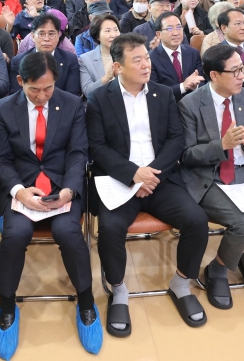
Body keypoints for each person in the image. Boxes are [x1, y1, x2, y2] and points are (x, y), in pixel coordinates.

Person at [86, 33, 210, 336]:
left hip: (159, 178)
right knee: (111, 229)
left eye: (146, 58)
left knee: (197, 220)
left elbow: (175, 139)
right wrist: (132, 174)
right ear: (118, 67)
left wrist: (150, 173)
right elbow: (97, 147)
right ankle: (119, 290)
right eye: (137, 60)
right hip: (118, 181)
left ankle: (181, 283)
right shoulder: (100, 98)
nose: (146, 65)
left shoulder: (162, 94)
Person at [0, 52, 102, 358]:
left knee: (69, 233)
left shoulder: (72, 104)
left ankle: (86, 300)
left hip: (60, 187)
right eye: (33, 90)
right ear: (19, 82)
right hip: (22, 189)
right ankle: (8, 304)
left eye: (48, 89)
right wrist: (17, 191)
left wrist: (69, 189)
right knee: (14, 235)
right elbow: (2, 159)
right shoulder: (3, 109)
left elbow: (78, 152)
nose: (41, 97)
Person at [178, 43, 244, 308]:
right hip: (210, 176)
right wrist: (221, 146)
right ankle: (217, 269)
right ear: (214, 75)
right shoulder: (190, 104)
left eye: (242, 69)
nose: (241, 75)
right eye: (235, 71)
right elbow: (186, 156)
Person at [10, 13, 80, 96]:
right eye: (41, 34)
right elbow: (16, 94)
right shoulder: (18, 61)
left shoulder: (70, 60)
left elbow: (72, 93)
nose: (46, 39)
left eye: (51, 34)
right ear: (32, 36)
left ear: (58, 36)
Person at [148, 12, 204, 100]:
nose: (176, 33)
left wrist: (195, 85)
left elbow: (203, 82)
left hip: (194, 104)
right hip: (167, 106)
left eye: (179, 27)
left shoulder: (193, 53)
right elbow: (155, 92)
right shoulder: (151, 58)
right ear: (159, 34)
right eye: (170, 29)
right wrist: (183, 86)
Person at [79, 14, 120, 97]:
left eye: (116, 30)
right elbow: (87, 91)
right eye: (107, 31)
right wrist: (106, 78)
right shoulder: (85, 59)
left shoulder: (128, 54)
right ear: (97, 36)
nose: (113, 35)